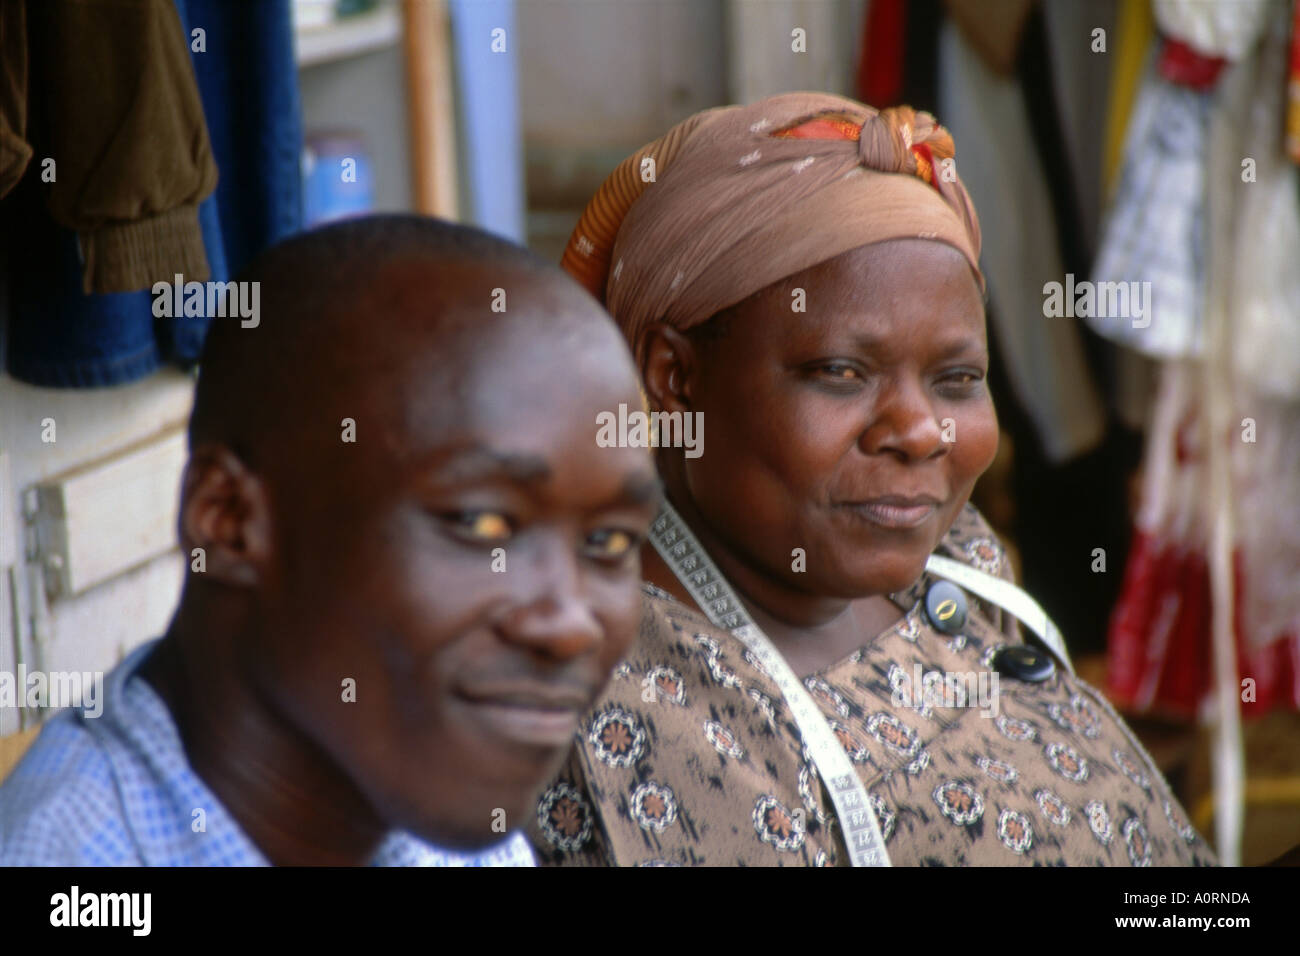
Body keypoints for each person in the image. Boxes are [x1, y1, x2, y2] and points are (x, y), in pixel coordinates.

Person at [525, 92, 1218, 867]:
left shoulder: (944, 552)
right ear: (675, 377)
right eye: (841, 373)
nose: (921, 432)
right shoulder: (639, 725)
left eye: (957, 379)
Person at [0, 215, 660, 866]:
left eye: (606, 540)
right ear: (227, 520)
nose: (570, 626)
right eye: (481, 525)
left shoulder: (425, 815)